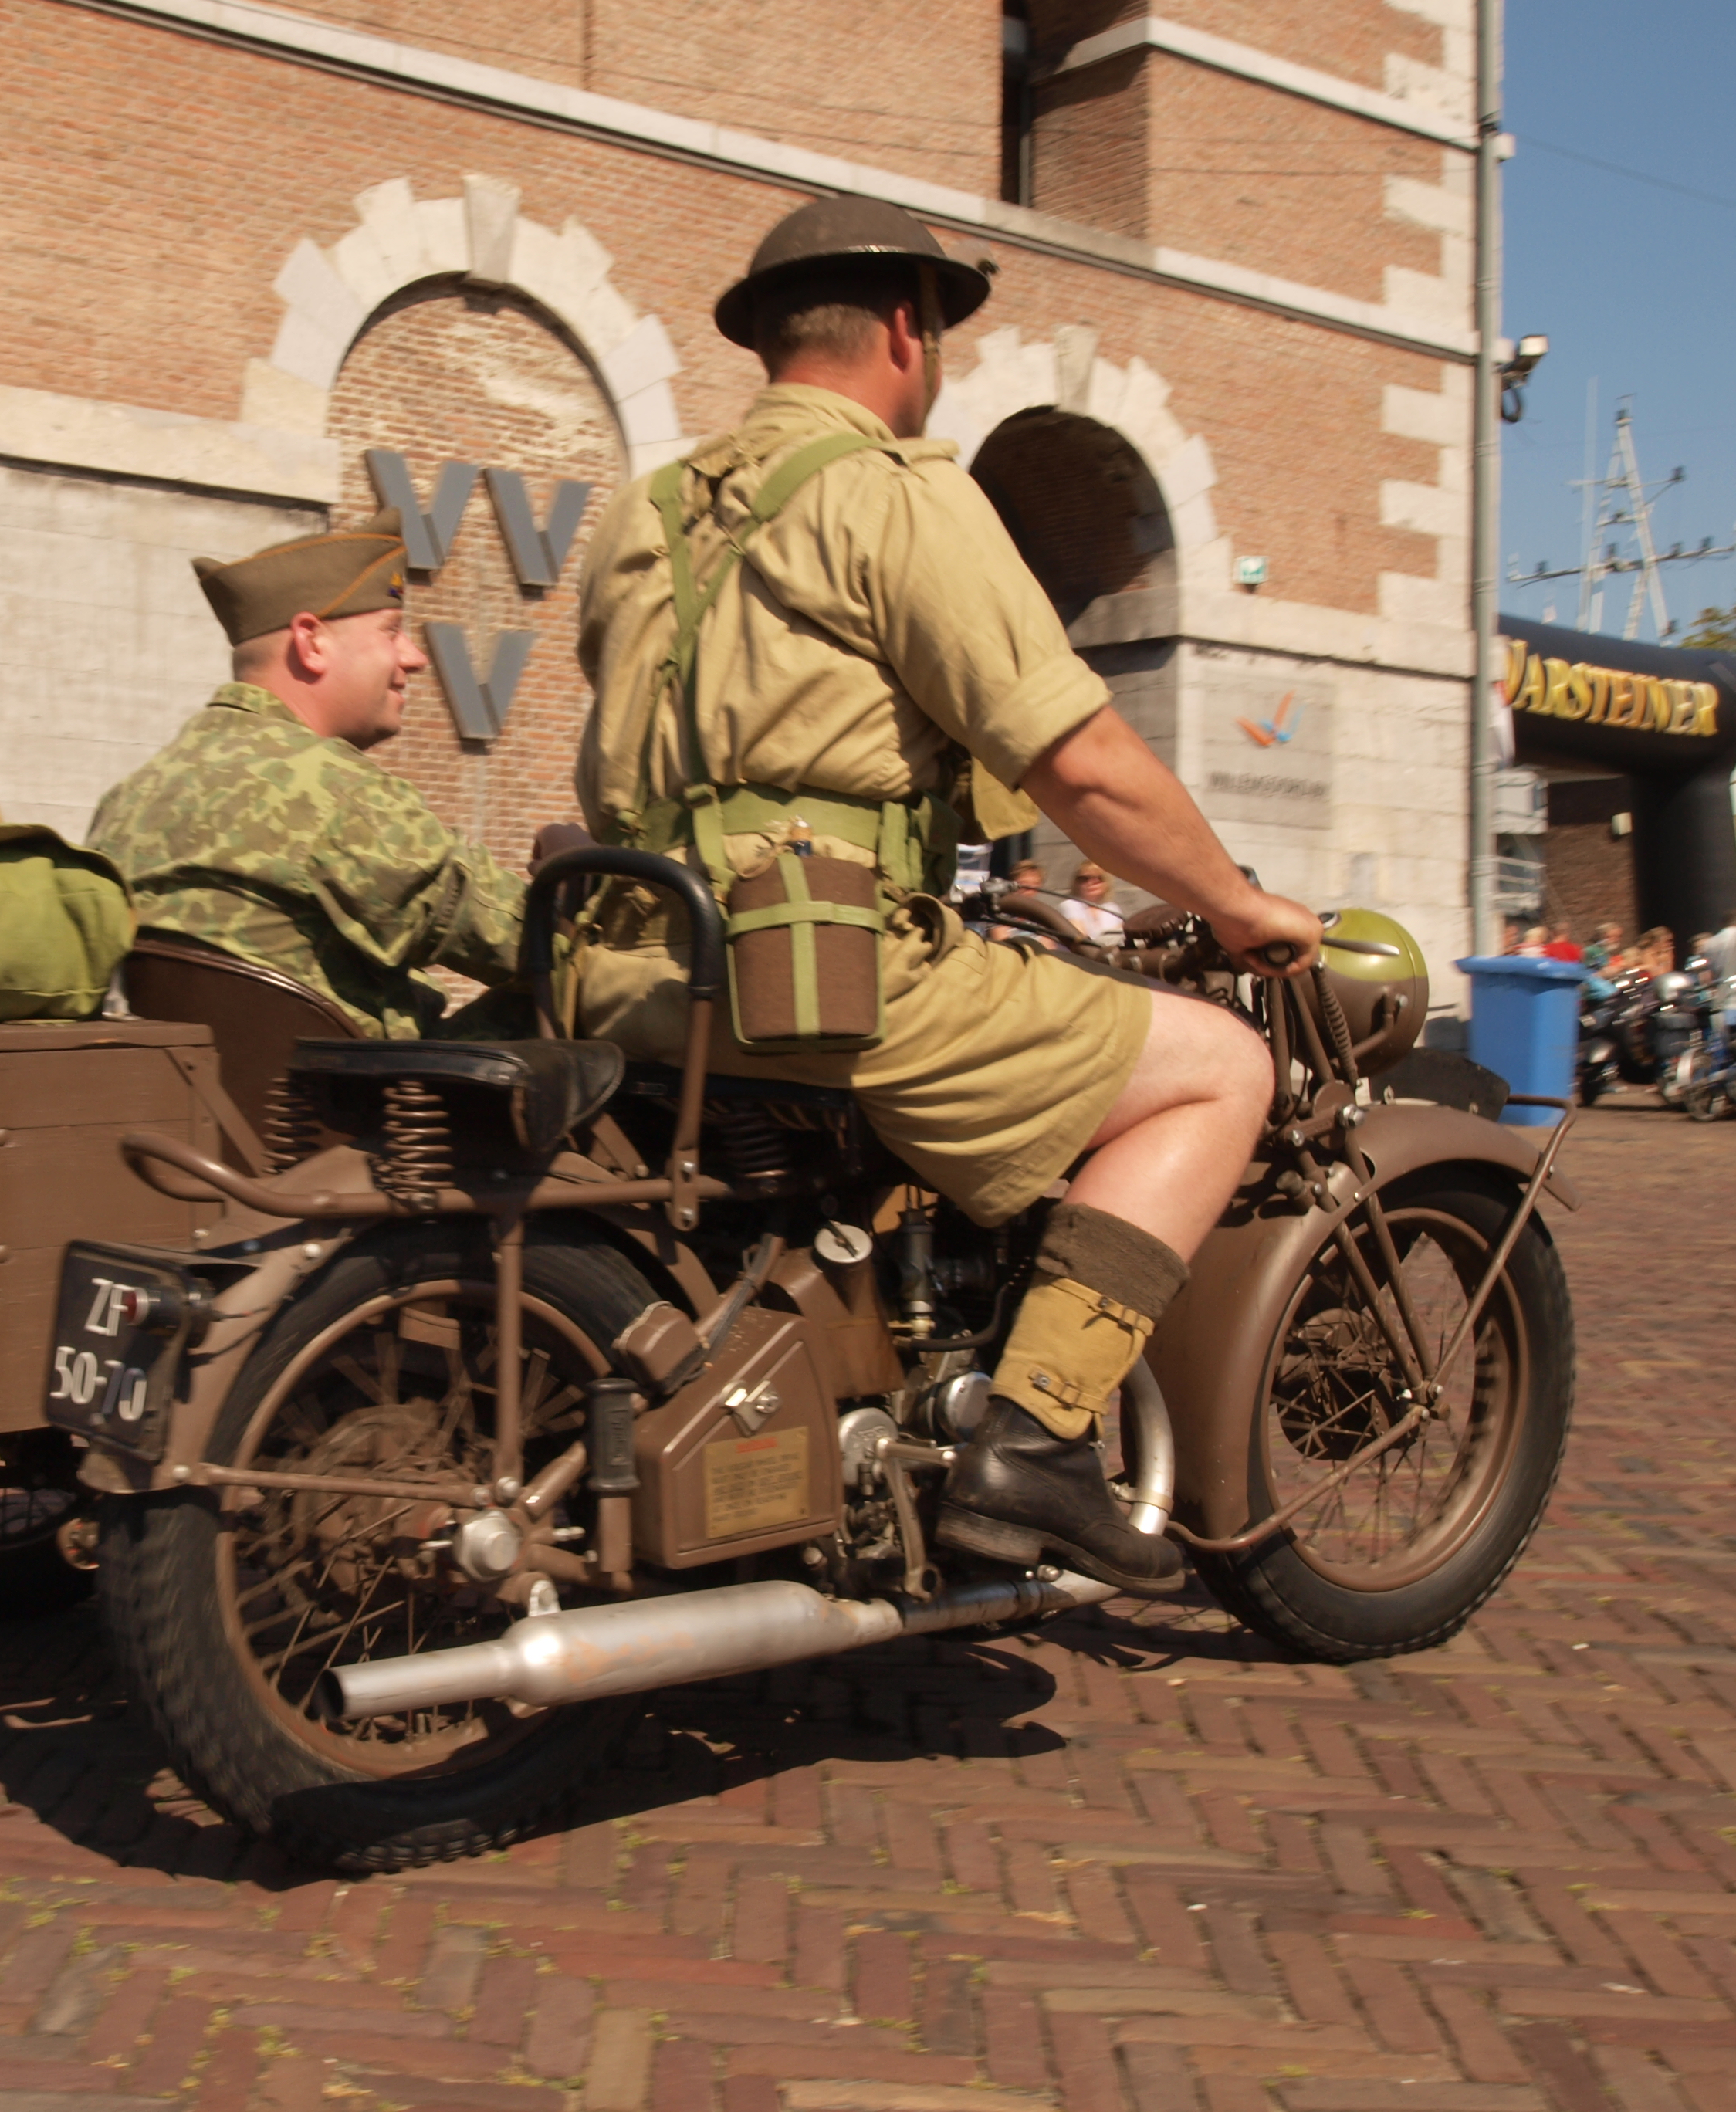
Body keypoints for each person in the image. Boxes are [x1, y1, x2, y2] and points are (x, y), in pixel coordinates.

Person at [570, 196, 1318, 1596]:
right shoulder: (897, 491)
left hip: (631, 966)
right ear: (907, 329)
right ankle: (1033, 1441)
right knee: (1220, 1065)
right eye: (942, 336)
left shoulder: (642, 512)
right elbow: (1078, 760)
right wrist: (1228, 902)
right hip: (813, 978)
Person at [89, 514, 542, 1040]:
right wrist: (574, 882)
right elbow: (539, 945)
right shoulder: (336, 793)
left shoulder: (131, 798)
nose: (414, 658)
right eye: (392, 631)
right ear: (312, 641)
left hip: (194, 1112)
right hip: (353, 1115)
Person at [1063, 861, 1126, 947]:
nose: (1091, 882)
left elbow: (1121, 938)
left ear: (1106, 883)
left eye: (1099, 878)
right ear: (1076, 884)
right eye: (1084, 879)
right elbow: (1081, 940)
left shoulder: (1112, 908)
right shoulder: (1070, 905)